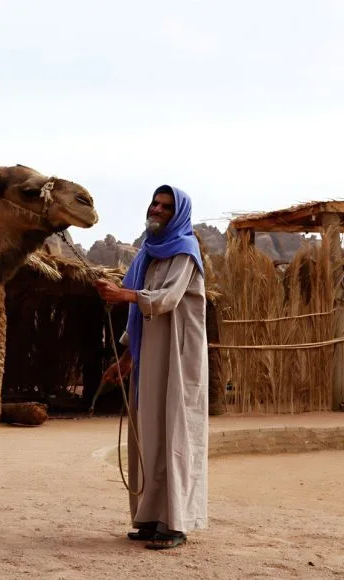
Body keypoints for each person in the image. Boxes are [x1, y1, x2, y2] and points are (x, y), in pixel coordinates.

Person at [94, 184, 208, 551]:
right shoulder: (148, 252)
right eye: (155, 203)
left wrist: (123, 294)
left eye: (166, 206)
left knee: (174, 433)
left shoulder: (185, 251)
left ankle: (175, 524)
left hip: (177, 356)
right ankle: (149, 519)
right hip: (149, 357)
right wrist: (127, 358)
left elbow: (167, 299)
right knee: (148, 434)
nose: (157, 209)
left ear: (179, 214)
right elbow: (138, 313)